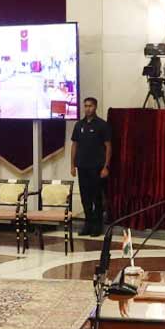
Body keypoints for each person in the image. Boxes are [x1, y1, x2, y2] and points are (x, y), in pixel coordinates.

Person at [69, 97, 112, 236]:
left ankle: (97, 226)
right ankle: (87, 224)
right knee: (85, 197)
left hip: (97, 167)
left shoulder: (102, 125)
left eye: (90, 106)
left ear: (95, 107)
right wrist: (72, 165)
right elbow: (74, 145)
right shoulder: (79, 125)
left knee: (96, 197)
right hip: (82, 166)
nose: (88, 109)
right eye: (86, 106)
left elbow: (108, 146)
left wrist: (106, 167)